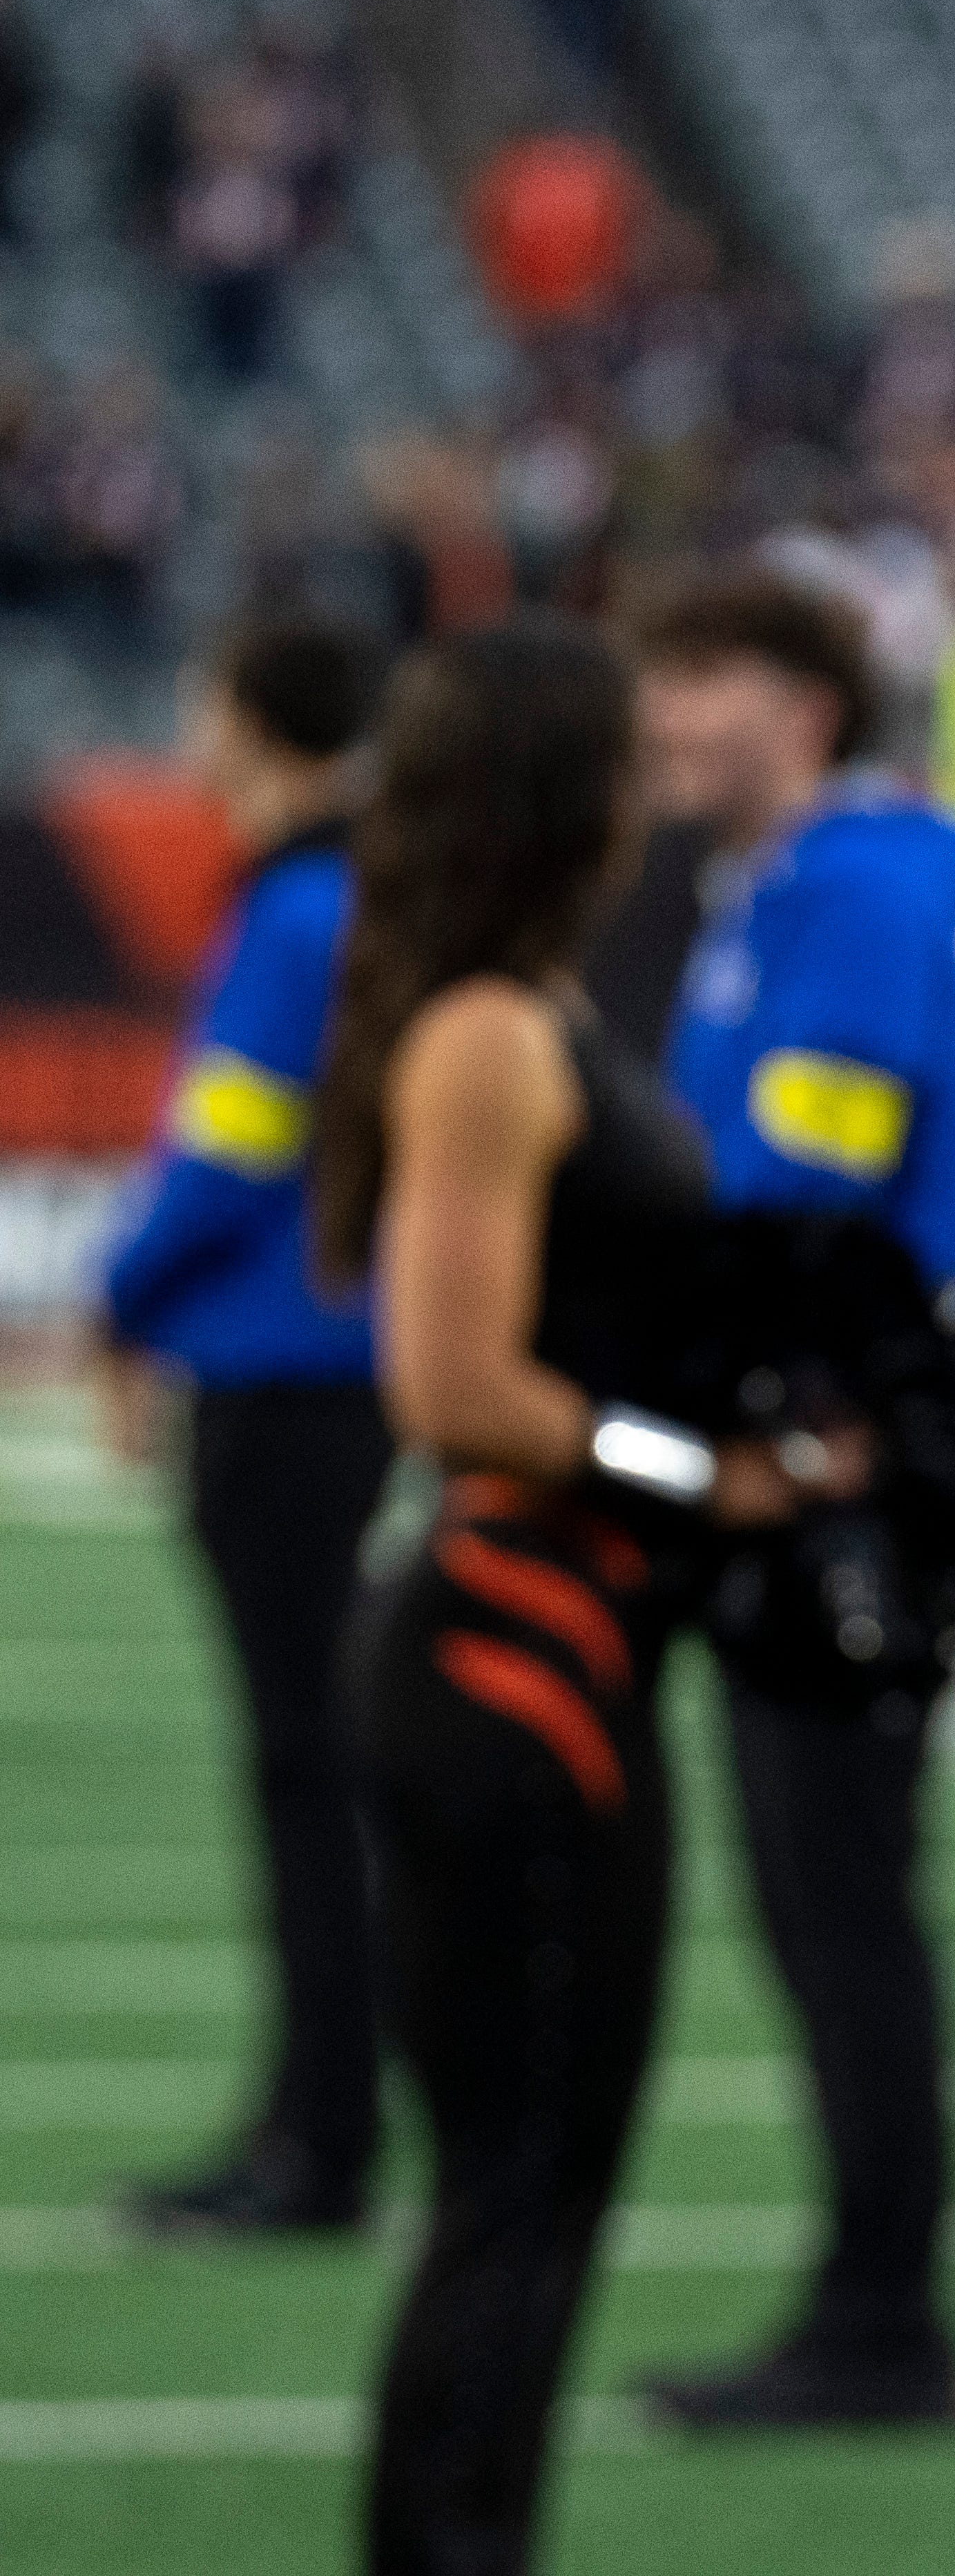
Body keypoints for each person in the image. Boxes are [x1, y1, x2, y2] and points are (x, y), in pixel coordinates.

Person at [302, 619, 841, 2575]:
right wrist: (713, 1472)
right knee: (513, 2205)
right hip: (508, 1662)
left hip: (563, 1661)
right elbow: (455, 1390)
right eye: (622, 759)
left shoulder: (522, 1008)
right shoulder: (484, 1035)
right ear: (561, 797)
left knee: (533, 2204)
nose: (649, 792)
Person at [624, 566, 955, 2428]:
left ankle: (886, 2318)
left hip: (864, 1444)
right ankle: (870, 2300)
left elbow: (804, 1193)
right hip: (835, 1425)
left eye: (695, 675)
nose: (659, 718)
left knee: (840, 1887)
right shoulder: (795, 889)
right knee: (821, 1890)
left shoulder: (851, 890)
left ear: (799, 702)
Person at [93, 616, 394, 2238]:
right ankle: (317, 2116)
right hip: (333, 1365)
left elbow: (226, 1146)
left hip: (279, 1374)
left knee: (302, 1769)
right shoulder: (352, 893)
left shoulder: (295, 906)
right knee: (316, 1763)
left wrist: (115, 1296)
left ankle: (316, 2133)